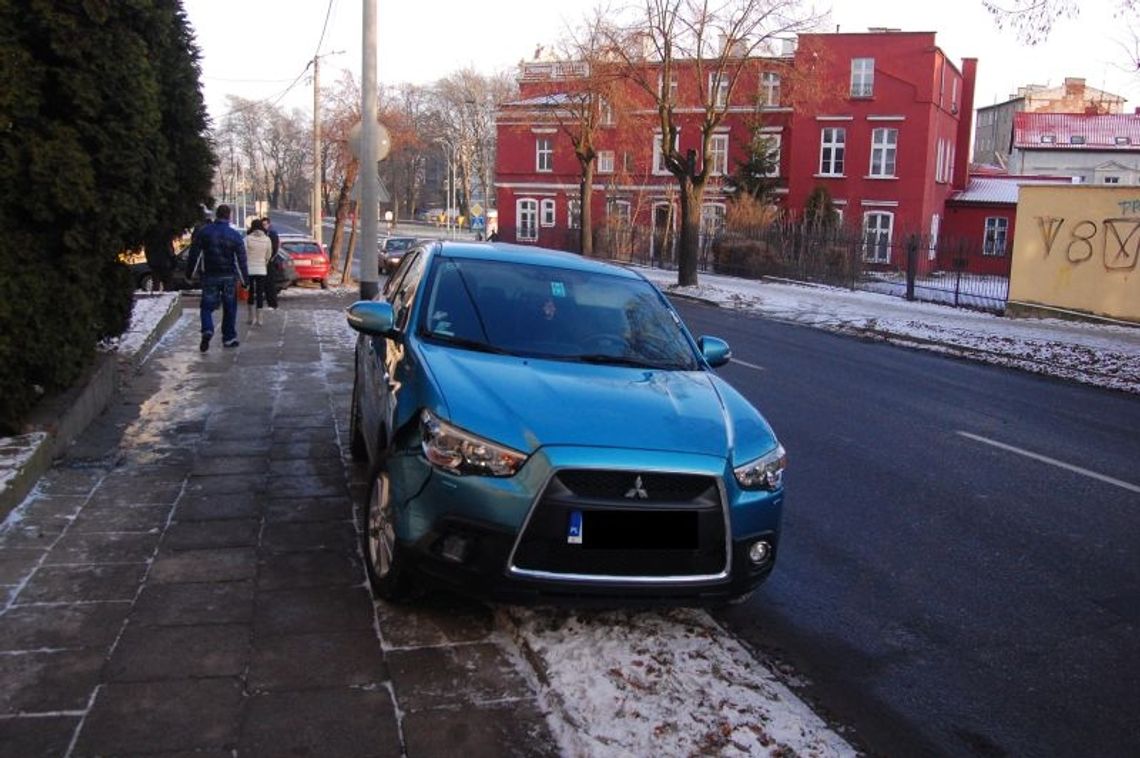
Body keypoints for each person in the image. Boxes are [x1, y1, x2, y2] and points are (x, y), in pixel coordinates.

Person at [186, 204, 249, 352]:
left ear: (216, 215)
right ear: (229, 216)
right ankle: (228, 338)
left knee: (206, 306)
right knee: (230, 307)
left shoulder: (204, 232)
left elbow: (194, 255)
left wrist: (190, 274)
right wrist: (245, 281)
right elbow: (241, 261)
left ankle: (207, 329)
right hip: (228, 277)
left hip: (210, 275)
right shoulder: (235, 236)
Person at [245, 218, 272, 326]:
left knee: (250, 293)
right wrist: (264, 262)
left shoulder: (247, 239)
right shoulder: (267, 239)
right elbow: (269, 254)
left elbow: (243, 253)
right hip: (261, 269)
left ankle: (251, 317)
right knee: (260, 293)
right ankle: (260, 318)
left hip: (249, 269)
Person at [262, 216, 281, 309]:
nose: (264, 226)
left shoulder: (272, 234)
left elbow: (275, 248)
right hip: (264, 262)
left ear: (269, 224)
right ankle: (270, 303)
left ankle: (273, 303)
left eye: (265, 224)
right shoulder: (265, 234)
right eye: (263, 225)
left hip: (270, 262)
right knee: (266, 284)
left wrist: (270, 258)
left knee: (270, 283)